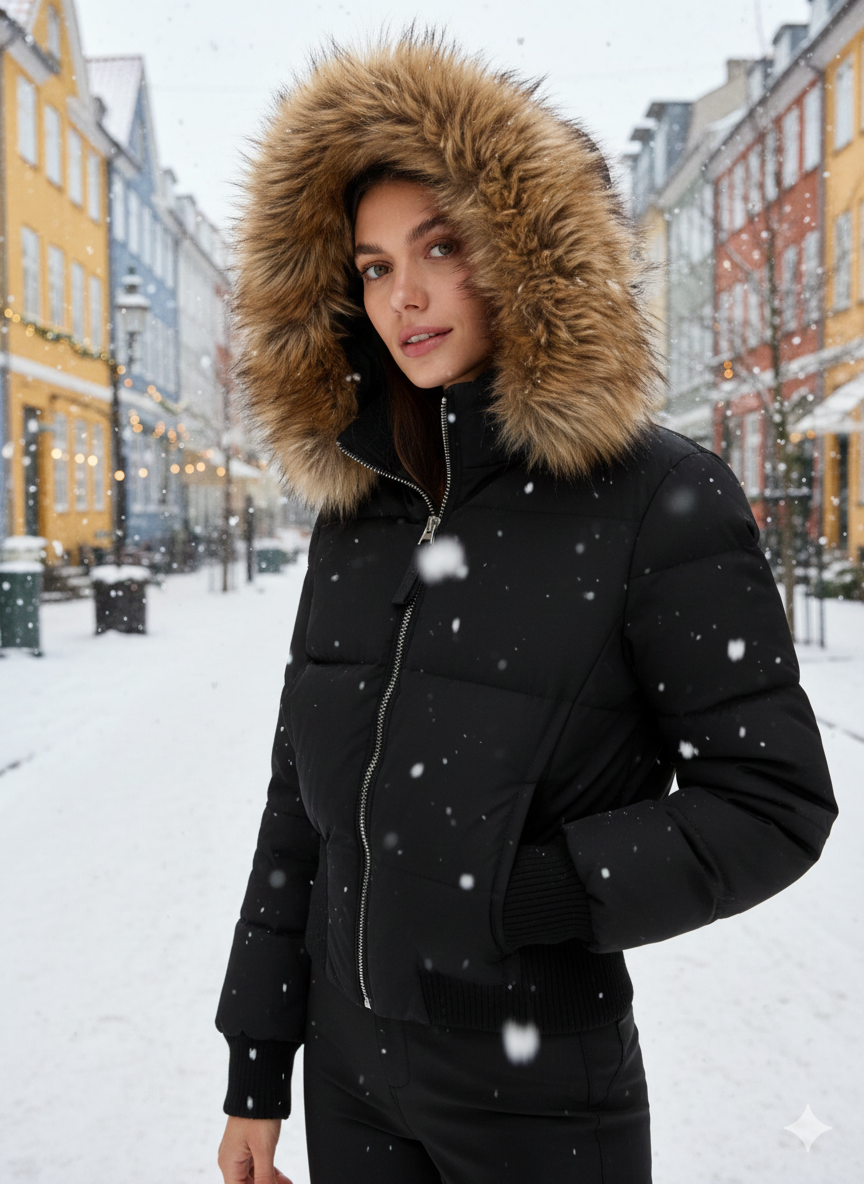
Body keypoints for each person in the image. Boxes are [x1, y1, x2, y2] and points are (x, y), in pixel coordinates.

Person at [215, 35, 837, 1184]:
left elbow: (772, 798)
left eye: (440, 247)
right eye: (369, 265)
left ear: (525, 254)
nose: (403, 294)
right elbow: (297, 806)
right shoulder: (362, 506)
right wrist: (259, 1061)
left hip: (538, 1094)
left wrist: (522, 888)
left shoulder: (662, 497)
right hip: (348, 1085)